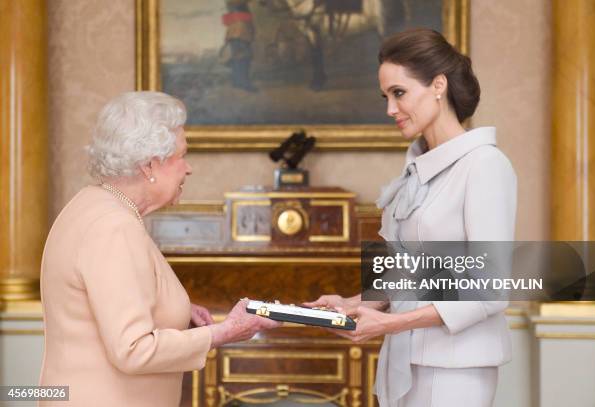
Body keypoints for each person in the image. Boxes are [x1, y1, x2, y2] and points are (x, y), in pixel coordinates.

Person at [306, 28, 516, 407]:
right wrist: (353, 303)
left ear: (439, 85)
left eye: (399, 93)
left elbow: (491, 289)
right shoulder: (413, 173)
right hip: (403, 358)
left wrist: (389, 324)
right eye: (386, 96)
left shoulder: (485, 165)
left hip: (457, 369)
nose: (390, 109)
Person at [38, 91, 279, 406]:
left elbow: (105, 302)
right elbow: (133, 349)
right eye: (181, 156)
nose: (188, 169)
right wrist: (224, 332)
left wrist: (176, 313)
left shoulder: (93, 203)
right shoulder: (114, 227)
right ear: (149, 165)